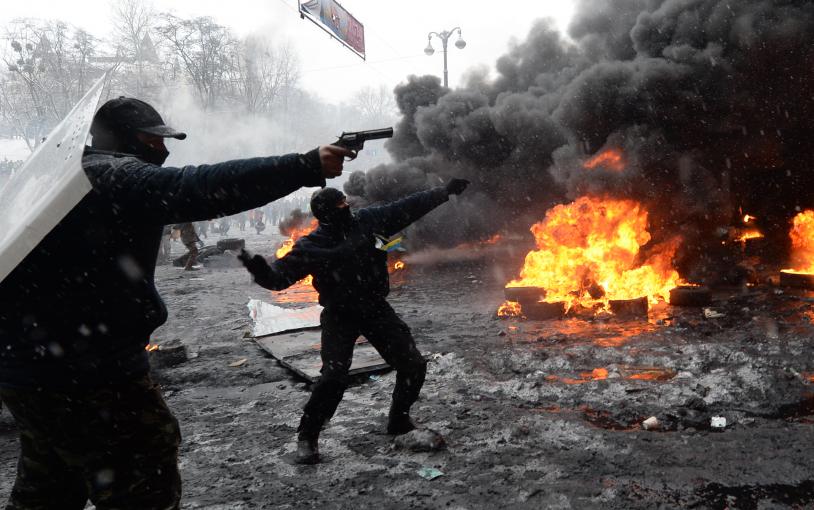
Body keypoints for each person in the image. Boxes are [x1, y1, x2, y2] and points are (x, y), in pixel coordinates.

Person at [0, 96, 352, 509]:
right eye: (154, 140)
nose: (163, 150)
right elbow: (198, 187)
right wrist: (304, 165)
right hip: (91, 374)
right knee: (143, 483)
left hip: (28, 371)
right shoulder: (109, 174)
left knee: (50, 484)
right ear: (127, 139)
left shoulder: (52, 181)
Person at [240, 179, 470, 464]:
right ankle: (308, 436)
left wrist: (443, 192)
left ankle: (399, 419)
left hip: (375, 309)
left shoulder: (369, 220)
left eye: (345, 202)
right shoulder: (312, 246)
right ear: (326, 214)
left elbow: (408, 207)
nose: (346, 207)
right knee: (333, 378)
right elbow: (279, 278)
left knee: (413, 365)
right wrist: (260, 271)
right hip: (340, 315)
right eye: (339, 205)